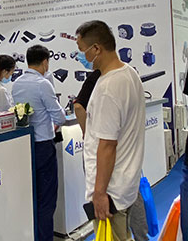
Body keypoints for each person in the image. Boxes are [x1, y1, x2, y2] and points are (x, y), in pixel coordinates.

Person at [76, 20, 145, 240]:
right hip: (126, 184)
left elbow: (107, 146)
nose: (81, 57)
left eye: (82, 51)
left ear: (96, 48)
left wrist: (99, 193)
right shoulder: (129, 73)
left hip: (110, 193)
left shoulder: (108, 88)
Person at [12, 45, 66, 241]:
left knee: (31, 197)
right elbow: (60, 117)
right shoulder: (43, 84)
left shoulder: (17, 83)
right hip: (43, 145)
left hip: (25, 146)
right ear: (45, 62)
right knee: (46, 201)